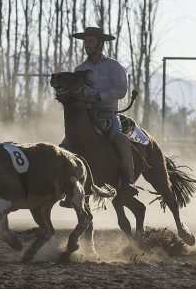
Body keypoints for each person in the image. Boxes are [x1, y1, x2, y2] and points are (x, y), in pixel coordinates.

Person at [59, 27, 138, 208]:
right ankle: (68, 191)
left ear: (100, 44)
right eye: (86, 41)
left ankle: (128, 181)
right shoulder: (80, 69)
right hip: (86, 117)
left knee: (120, 140)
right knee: (64, 146)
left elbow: (120, 90)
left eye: (91, 41)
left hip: (109, 115)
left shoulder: (114, 66)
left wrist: (98, 96)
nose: (87, 45)